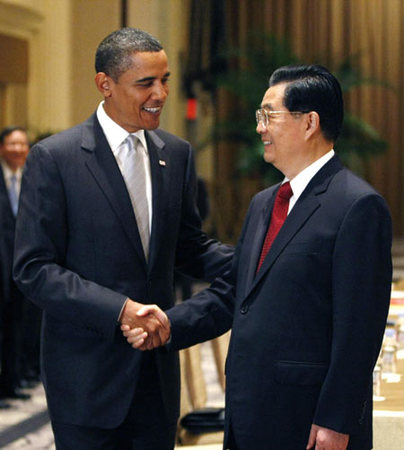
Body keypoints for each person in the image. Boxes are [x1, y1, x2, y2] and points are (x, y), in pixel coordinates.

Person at [124, 64, 392, 450]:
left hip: (308, 421)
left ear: (309, 122)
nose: (259, 128)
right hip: (248, 412)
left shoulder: (357, 206)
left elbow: (358, 332)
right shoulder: (264, 204)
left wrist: (336, 419)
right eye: (258, 116)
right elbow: (234, 294)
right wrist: (168, 323)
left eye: (269, 115)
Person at [13, 28, 233, 449]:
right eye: (146, 83)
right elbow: (34, 269)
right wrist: (120, 310)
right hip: (86, 381)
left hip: (156, 380)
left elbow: (188, 247)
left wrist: (262, 257)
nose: (161, 93)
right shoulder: (55, 158)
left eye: (165, 79)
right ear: (105, 84)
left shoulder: (177, 153)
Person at [0, 126, 32, 402]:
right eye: (12, 143)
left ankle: (11, 382)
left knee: (16, 326)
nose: (18, 149)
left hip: (20, 270)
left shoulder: (30, 179)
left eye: (23, 144)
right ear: (2, 148)